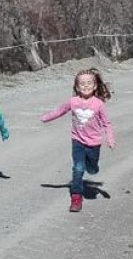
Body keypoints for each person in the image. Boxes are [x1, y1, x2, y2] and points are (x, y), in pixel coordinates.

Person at [40, 68, 116, 212]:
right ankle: (76, 197)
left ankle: (92, 166)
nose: (86, 86)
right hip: (78, 141)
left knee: (92, 170)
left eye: (89, 83)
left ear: (95, 86)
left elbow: (107, 124)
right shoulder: (73, 102)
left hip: (94, 143)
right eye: (82, 83)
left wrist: (110, 139)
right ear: (76, 87)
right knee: (78, 168)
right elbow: (59, 111)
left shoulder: (98, 104)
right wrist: (46, 118)